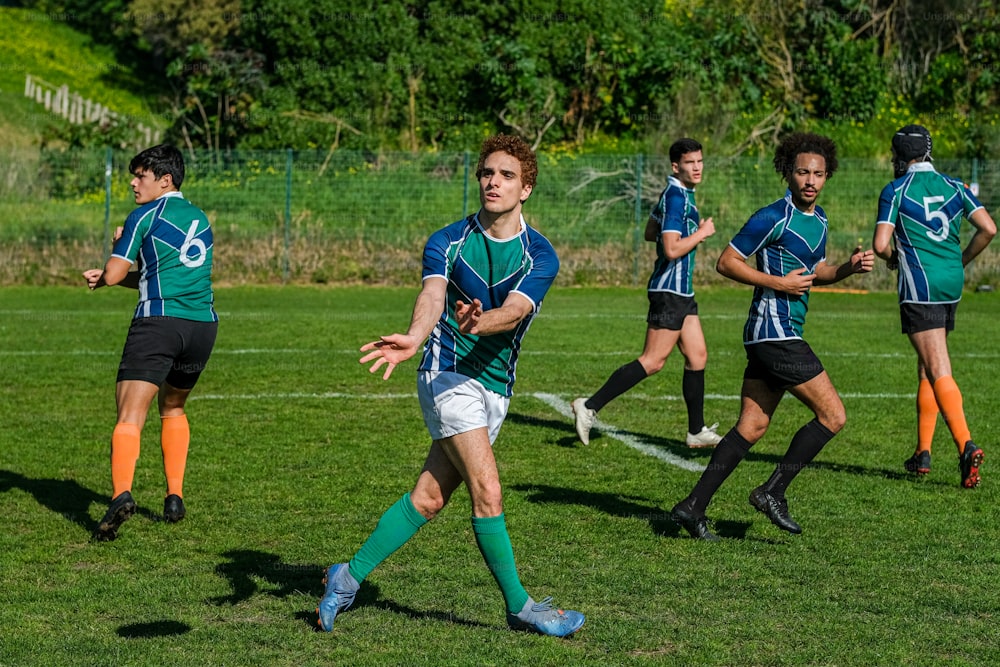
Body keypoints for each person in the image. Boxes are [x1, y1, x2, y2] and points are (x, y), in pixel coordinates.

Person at [316, 135, 584, 637]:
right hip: (447, 374)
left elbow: (515, 312)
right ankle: (520, 606)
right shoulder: (447, 240)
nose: (493, 182)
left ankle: (346, 578)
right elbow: (432, 293)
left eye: (506, 176)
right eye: (487, 173)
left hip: (496, 385)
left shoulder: (540, 255)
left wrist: (481, 322)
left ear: (526, 188)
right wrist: (416, 336)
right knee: (489, 489)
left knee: (429, 499)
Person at [669, 133, 874, 540]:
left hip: (777, 334)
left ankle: (693, 507)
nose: (810, 180)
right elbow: (726, 262)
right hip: (773, 333)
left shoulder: (821, 221)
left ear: (827, 175)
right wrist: (777, 283)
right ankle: (772, 491)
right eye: (802, 172)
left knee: (752, 426)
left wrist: (848, 268)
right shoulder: (772, 216)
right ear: (789, 172)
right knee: (833, 416)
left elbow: (817, 272)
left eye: (818, 173)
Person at [82, 144, 218, 541]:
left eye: (140, 175)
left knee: (129, 415)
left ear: (165, 180)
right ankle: (174, 495)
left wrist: (115, 247)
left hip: (157, 324)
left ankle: (121, 494)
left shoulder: (144, 215)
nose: (132, 182)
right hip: (202, 327)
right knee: (173, 408)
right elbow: (154, 272)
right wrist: (122, 272)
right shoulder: (199, 217)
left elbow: (113, 272)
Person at [572, 138, 723, 448]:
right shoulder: (678, 197)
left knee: (697, 356)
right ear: (675, 166)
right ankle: (589, 406)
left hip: (682, 291)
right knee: (653, 361)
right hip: (669, 291)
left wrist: (685, 230)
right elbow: (669, 248)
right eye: (690, 162)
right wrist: (701, 233)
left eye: (700, 161)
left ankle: (696, 431)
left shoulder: (675, 194)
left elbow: (650, 232)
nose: (697, 167)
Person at [873, 124, 996, 487]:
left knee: (938, 367)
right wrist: (961, 260)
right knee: (927, 365)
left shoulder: (896, 189)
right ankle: (922, 452)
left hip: (920, 285)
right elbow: (988, 228)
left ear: (898, 157)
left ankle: (966, 445)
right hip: (951, 284)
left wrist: (895, 258)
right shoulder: (956, 186)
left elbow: (881, 244)